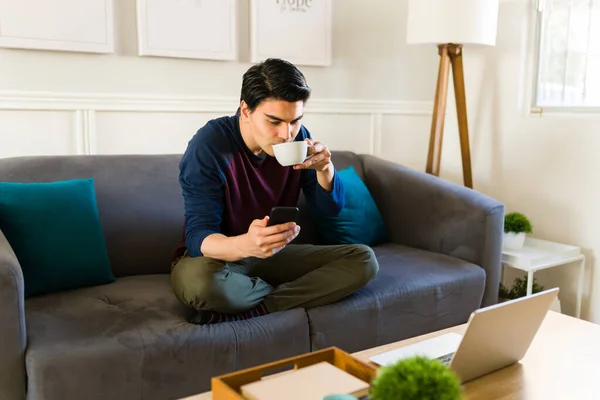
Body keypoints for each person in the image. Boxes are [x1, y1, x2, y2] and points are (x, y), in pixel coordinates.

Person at [170, 58, 379, 325]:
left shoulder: (298, 137)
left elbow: (330, 210)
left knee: (363, 260)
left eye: (294, 121)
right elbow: (198, 237)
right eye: (274, 121)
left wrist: (325, 169)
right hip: (219, 259)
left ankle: (259, 306)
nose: (287, 134)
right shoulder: (209, 146)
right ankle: (263, 294)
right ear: (245, 110)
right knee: (200, 284)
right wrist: (246, 244)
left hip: (272, 255)